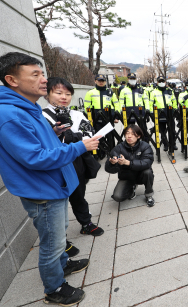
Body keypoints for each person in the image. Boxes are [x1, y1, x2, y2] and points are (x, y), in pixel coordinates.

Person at [0, 52, 101, 305]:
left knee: (57, 238)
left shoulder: (27, 106)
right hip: (42, 191)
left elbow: (36, 143)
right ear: (12, 80)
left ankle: (63, 266)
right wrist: (81, 146)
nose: (44, 80)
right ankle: (54, 288)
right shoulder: (7, 114)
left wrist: (53, 131)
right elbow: (35, 158)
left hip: (52, 185)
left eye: (42, 73)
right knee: (52, 243)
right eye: (35, 74)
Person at [43, 77, 105, 238]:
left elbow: (90, 134)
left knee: (79, 194)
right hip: (56, 163)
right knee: (58, 202)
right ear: (48, 94)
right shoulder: (42, 116)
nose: (64, 97)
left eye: (68, 94)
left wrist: (72, 138)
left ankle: (86, 223)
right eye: (58, 93)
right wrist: (76, 138)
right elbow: (46, 143)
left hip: (77, 161)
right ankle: (59, 239)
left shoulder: (77, 114)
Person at [105, 125, 155, 206]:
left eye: (133, 134)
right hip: (126, 176)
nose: (129, 136)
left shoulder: (145, 146)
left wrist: (127, 162)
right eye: (127, 133)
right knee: (117, 197)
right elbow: (109, 170)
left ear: (138, 136)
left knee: (148, 172)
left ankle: (149, 195)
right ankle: (131, 190)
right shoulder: (119, 148)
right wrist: (112, 163)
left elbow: (147, 163)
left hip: (141, 175)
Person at [84, 74, 120, 159]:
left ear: (105, 82)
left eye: (102, 81)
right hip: (96, 119)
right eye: (99, 80)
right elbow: (87, 106)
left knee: (110, 137)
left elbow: (116, 104)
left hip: (109, 118)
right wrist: (90, 118)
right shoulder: (90, 92)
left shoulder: (110, 92)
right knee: (98, 137)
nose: (101, 82)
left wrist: (117, 116)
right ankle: (100, 153)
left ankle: (111, 154)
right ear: (95, 81)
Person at [150, 76, 178, 151]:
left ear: (165, 82)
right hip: (159, 114)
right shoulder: (153, 92)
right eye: (160, 81)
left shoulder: (170, 91)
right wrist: (152, 114)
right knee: (162, 131)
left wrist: (175, 110)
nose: (162, 83)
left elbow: (174, 101)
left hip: (169, 113)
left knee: (172, 130)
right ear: (157, 83)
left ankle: (173, 144)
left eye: (163, 81)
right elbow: (151, 104)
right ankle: (165, 144)